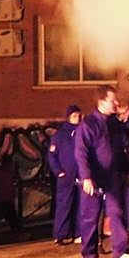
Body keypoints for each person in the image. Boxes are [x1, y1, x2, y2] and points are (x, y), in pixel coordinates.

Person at [74, 85, 129, 258]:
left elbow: (122, 150)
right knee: (90, 217)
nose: (116, 103)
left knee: (117, 212)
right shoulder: (89, 124)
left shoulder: (116, 124)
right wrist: (86, 177)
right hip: (94, 178)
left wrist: (126, 170)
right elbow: (81, 152)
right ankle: (90, 254)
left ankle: (121, 252)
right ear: (101, 102)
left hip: (114, 176)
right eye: (112, 100)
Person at [47, 105, 82, 245]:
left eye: (79, 116)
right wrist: (58, 172)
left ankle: (78, 233)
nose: (77, 118)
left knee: (80, 205)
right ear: (68, 117)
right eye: (74, 116)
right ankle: (61, 234)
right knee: (64, 204)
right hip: (66, 175)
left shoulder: (83, 131)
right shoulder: (60, 135)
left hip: (81, 174)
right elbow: (52, 155)